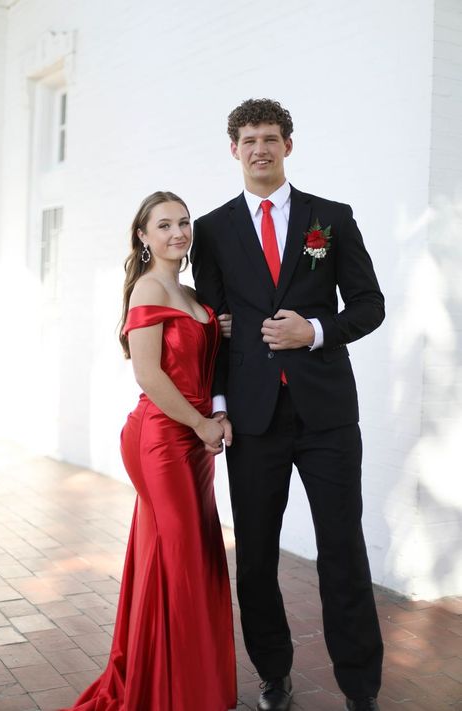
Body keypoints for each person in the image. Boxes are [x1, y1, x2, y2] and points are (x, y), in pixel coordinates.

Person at [191, 99, 384, 711]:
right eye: (248, 140)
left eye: (270, 138)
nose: (259, 149)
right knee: (255, 556)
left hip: (327, 414)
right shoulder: (214, 231)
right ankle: (274, 673)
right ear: (233, 150)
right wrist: (219, 405)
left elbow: (369, 304)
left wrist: (316, 331)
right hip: (252, 419)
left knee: (343, 553)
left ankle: (360, 687)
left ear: (289, 145)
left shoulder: (331, 218)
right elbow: (214, 331)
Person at [61, 191, 237, 711]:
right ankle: (168, 692)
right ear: (143, 236)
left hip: (195, 438)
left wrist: (215, 328)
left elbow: (196, 353)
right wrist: (203, 423)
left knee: (187, 555)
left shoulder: (186, 289)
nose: (178, 233)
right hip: (161, 438)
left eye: (183, 223)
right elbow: (148, 374)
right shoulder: (147, 290)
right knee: (180, 559)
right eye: (164, 225)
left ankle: (188, 684)